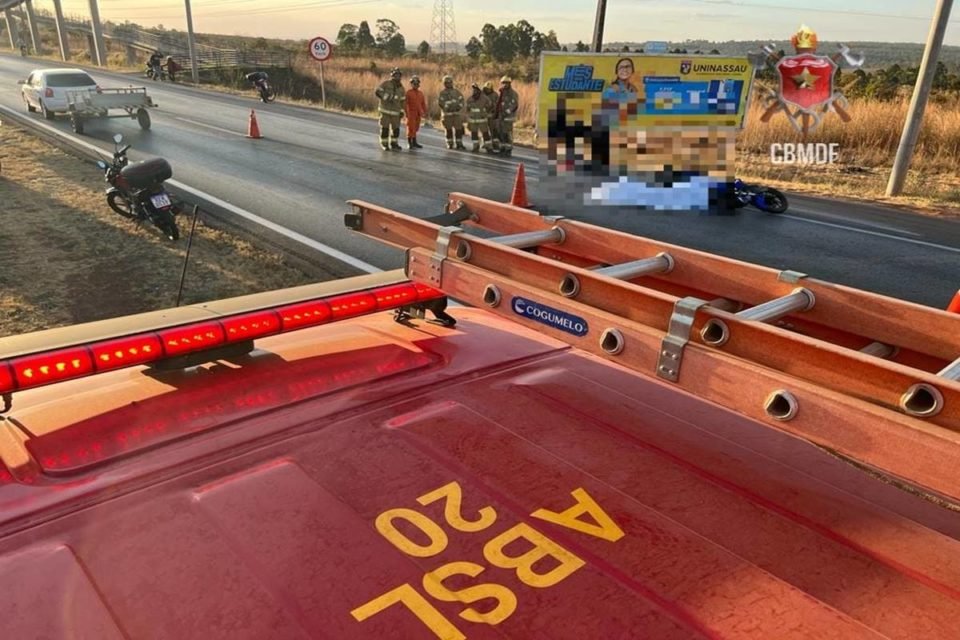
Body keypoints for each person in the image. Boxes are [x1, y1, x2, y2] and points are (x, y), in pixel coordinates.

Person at [375, 68, 405, 150]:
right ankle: (384, 144)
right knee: (385, 129)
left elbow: (403, 101)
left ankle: (394, 143)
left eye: (399, 75)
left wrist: (402, 111)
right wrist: (387, 97)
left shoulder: (401, 88)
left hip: (396, 113)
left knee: (396, 130)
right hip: (385, 111)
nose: (397, 77)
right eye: (395, 75)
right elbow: (378, 92)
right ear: (392, 75)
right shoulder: (386, 84)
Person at [437, 75, 465, 150]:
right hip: (447, 115)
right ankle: (450, 143)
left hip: (456, 114)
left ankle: (459, 143)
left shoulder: (457, 92)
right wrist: (447, 108)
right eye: (447, 83)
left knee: (458, 129)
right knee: (448, 129)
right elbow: (441, 103)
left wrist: (459, 107)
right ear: (444, 83)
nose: (449, 84)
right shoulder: (442, 93)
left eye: (450, 82)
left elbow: (462, 100)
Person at [495, 76, 519, 156]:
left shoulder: (513, 94)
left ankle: (508, 150)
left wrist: (507, 112)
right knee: (500, 133)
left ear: (509, 83)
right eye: (503, 83)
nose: (504, 85)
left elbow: (514, 105)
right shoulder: (502, 93)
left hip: (508, 118)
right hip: (501, 117)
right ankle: (502, 148)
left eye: (506, 83)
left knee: (507, 133)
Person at [465, 83, 492, 153]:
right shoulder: (469, 99)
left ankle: (488, 147)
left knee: (485, 133)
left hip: (482, 120)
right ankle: (475, 146)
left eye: (476, 90)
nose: (474, 91)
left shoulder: (485, 98)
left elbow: (490, 106)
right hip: (473, 120)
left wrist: (485, 112)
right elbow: (467, 109)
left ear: (479, 90)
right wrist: (468, 118)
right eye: (473, 90)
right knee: (474, 133)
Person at [404, 75, 427, 150]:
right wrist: (407, 113)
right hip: (411, 113)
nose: (416, 85)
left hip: (418, 114)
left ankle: (414, 142)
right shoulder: (408, 93)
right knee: (411, 128)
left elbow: (423, 103)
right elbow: (405, 103)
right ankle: (409, 142)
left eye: (417, 84)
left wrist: (424, 112)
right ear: (411, 84)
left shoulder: (420, 93)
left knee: (416, 128)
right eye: (414, 84)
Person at [482, 81, 500, 153]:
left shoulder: (495, 95)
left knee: (494, 130)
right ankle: (486, 144)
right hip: (484, 115)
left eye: (489, 89)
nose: (487, 90)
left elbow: (498, 104)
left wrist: (493, 107)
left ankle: (495, 144)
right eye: (486, 89)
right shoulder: (481, 95)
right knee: (485, 131)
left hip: (492, 116)